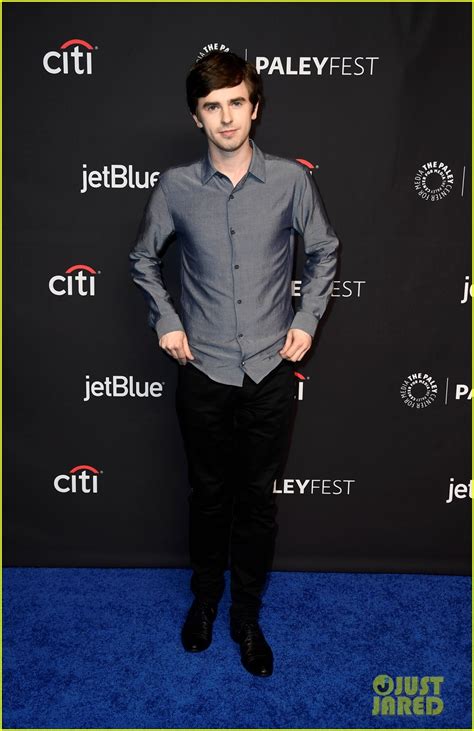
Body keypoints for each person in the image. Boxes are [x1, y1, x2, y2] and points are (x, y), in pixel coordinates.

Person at [129, 50, 339, 677]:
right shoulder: (175, 188)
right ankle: (204, 601)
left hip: (271, 372)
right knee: (208, 495)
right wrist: (166, 320)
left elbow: (324, 251)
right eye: (212, 107)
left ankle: (246, 615)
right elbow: (143, 259)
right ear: (197, 118)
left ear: (255, 106)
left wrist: (306, 321)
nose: (226, 118)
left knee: (258, 502)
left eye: (236, 103)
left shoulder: (291, 182)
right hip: (205, 370)